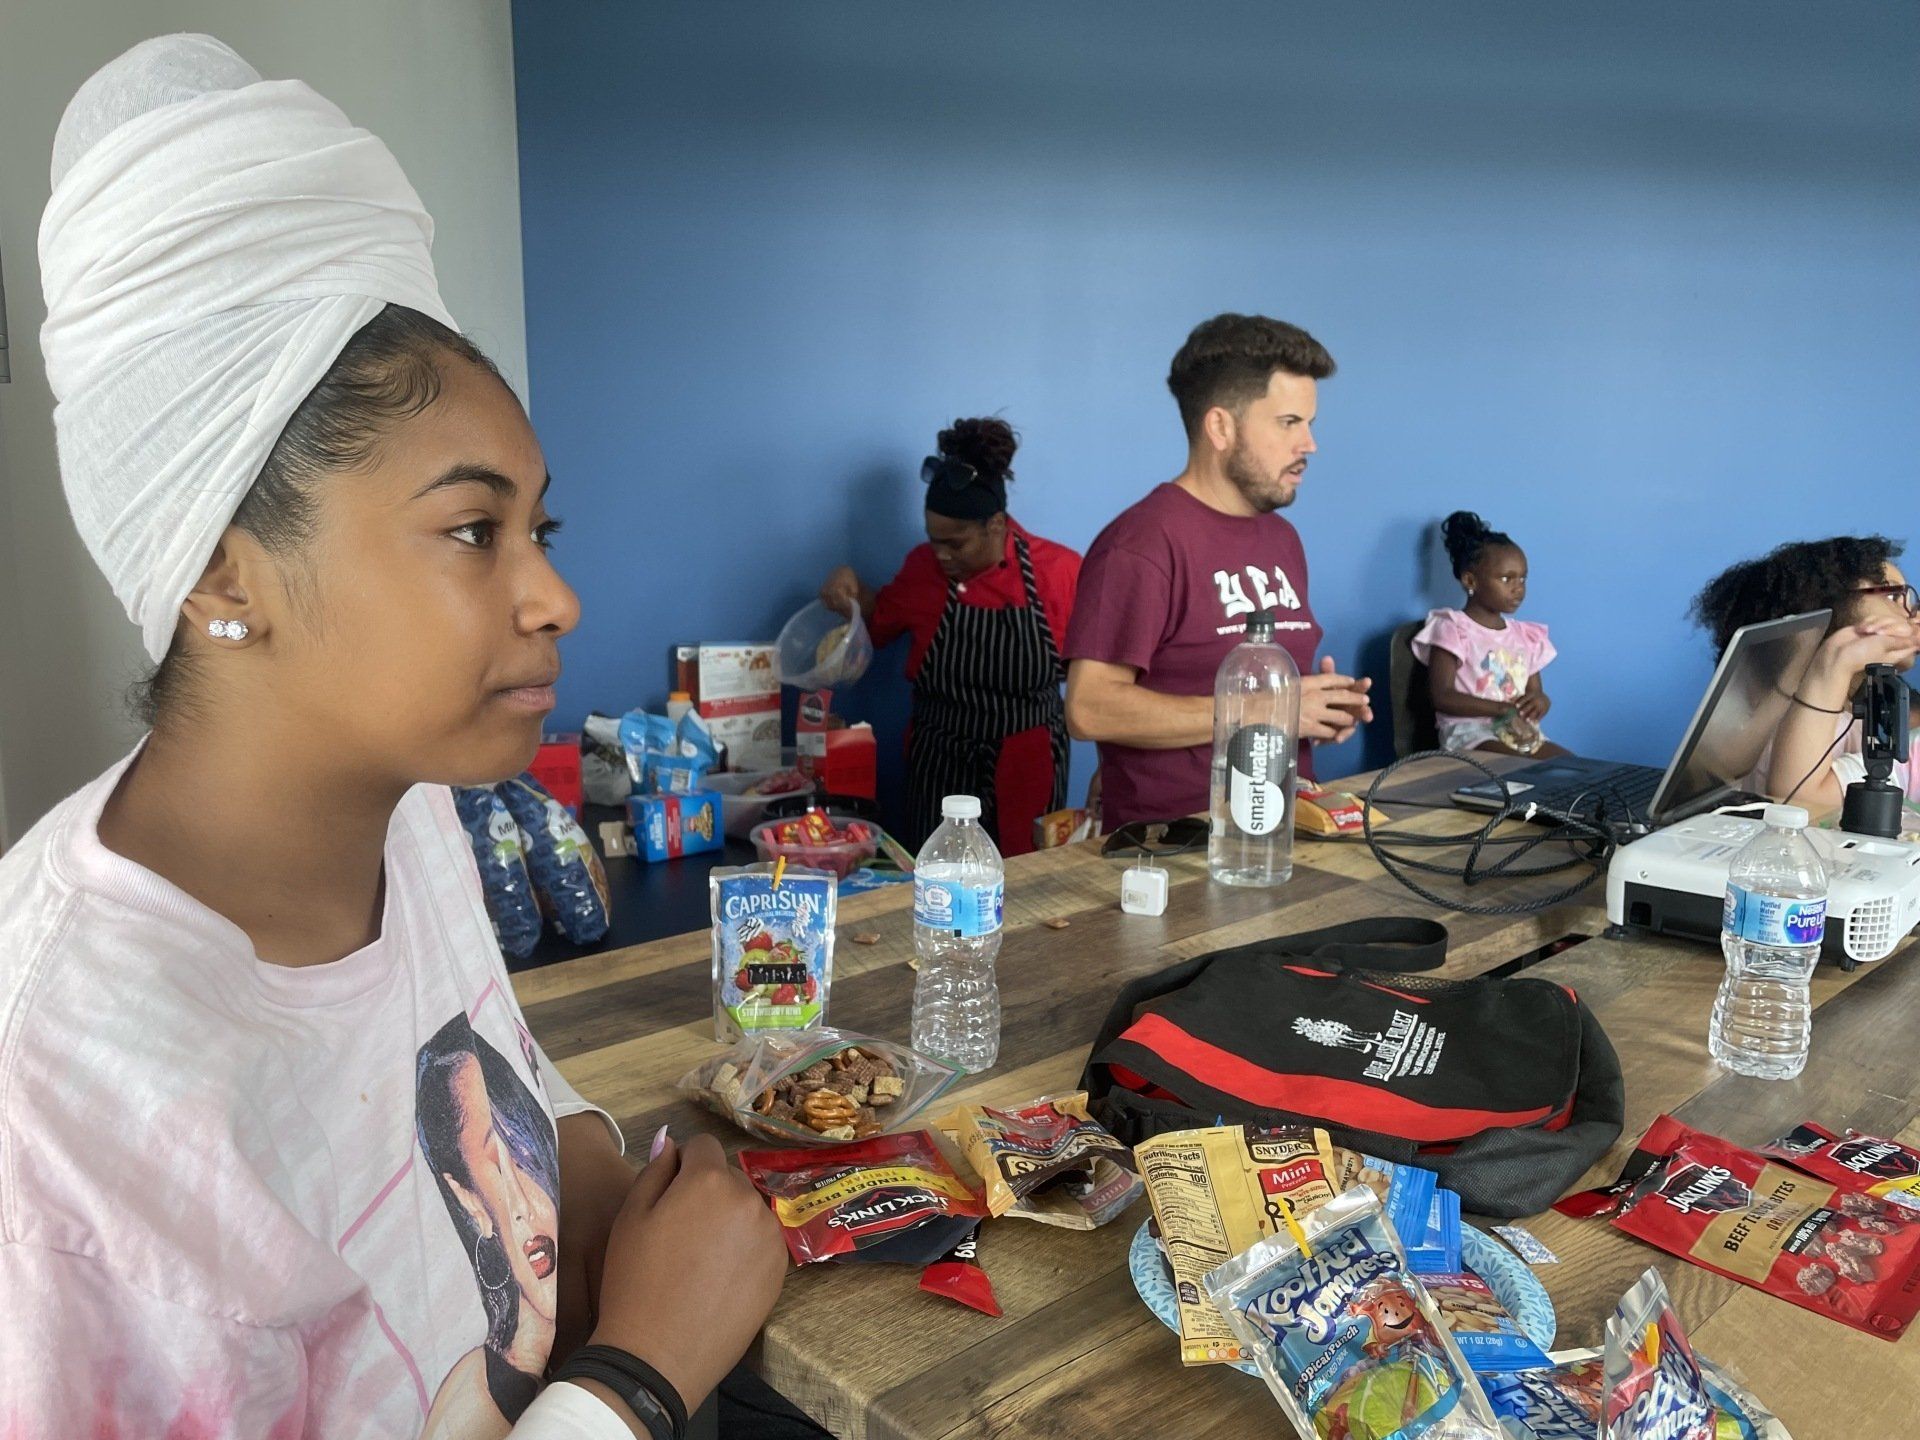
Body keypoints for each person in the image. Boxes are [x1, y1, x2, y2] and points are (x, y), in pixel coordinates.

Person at [0, 36, 806, 1440]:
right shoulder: (58, 1127)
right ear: (224, 570)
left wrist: (596, 1170)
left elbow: (485, 1082)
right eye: (473, 529)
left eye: (541, 528)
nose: (557, 598)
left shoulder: (410, 815)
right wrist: (637, 1379)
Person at [1062, 314, 1372, 830]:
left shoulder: (1282, 538)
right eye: (1289, 422)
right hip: (1174, 847)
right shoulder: (1141, 543)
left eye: (1310, 423)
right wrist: (1271, 710)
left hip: (1281, 831)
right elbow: (1090, 708)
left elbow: (1262, 699)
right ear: (1221, 427)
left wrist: (1318, 709)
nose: (1309, 444)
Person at [820, 417, 1081, 852]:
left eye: (955, 544)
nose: (940, 555)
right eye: (933, 540)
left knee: (1027, 878)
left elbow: (1095, 677)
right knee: (938, 880)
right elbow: (877, 624)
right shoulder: (921, 568)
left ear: (995, 524)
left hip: (1027, 764)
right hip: (940, 763)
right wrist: (850, 590)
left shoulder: (1060, 572)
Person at [1692, 536, 1920, 812]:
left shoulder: (1859, 716)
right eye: (1894, 596)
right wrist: (1837, 661)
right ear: (1825, 605)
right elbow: (1798, 804)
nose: (1912, 616)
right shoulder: (1786, 722)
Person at [1410, 511, 1567, 758]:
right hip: (1471, 735)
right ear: (1470, 581)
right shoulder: (1453, 628)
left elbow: (1535, 691)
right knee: (1515, 765)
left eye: (1523, 578)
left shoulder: (1526, 635)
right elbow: (1442, 696)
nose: (1518, 588)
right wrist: (1500, 709)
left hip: (1518, 732)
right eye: (1506, 579)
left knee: (1573, 766)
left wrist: (1540, 702)